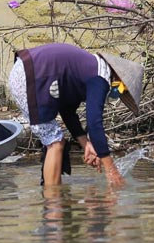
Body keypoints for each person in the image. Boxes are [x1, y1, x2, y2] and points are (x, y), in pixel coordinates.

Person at [8, 43, 144, 187]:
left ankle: (53, 197)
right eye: (121, 89)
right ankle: (53, 201)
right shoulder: (100, 78)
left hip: (24, 70)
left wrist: (86, 144)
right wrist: (111, 170)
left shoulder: (85, 70)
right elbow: (94, 124)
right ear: (117, 77)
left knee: (54, 142)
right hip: (30, 75)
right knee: (55, 143)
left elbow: (67, 111)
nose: (117, 93)